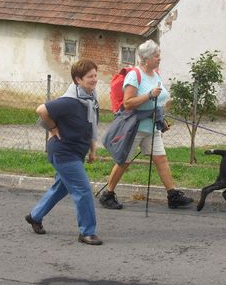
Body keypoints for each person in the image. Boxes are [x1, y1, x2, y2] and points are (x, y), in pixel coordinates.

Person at [99, 39, 193, 210]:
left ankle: (172, 195)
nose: (159, 58)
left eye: (159, 55)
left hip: (152, 127)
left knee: (161, 159)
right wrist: (149, 95)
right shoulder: (134, 75)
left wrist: (161, 120)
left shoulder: (155, 75)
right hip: (135, 128)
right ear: (147, 58)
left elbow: (157, 102)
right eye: (156, 56)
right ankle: (108, 194)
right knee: (124, 161)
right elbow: (128, 103)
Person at [25, 59, 103, 245]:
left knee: (61, 188)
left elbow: (89, 126)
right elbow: (41, 110)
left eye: (95, 75)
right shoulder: (69, 101)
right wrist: (53, 128)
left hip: (76, 152)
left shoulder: (90, 99)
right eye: (90, 76)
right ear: (78, 79)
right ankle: (87, 232)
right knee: (83, 190)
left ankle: (35, 216)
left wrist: (92, 150)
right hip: (63, 153)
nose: (94, 79)